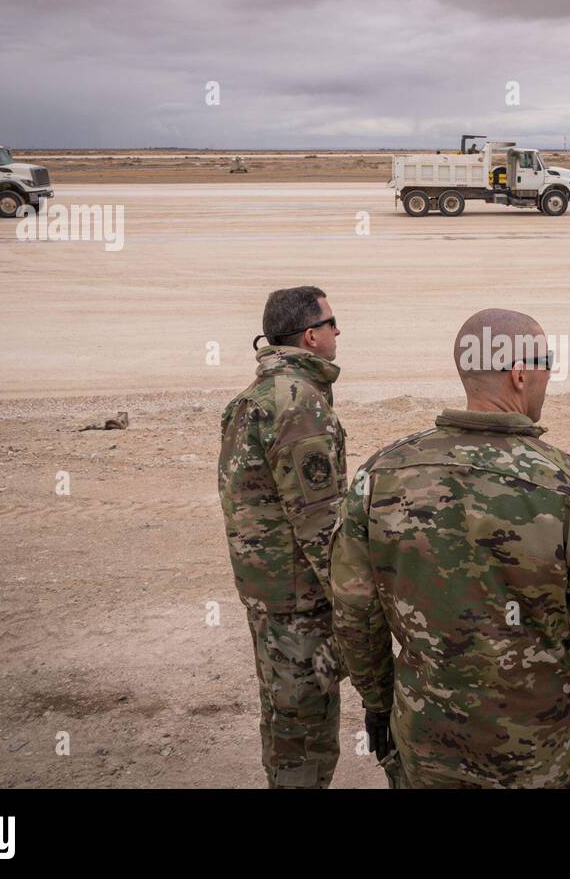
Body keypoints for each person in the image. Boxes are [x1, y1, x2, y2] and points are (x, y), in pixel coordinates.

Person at [331, 308, 570, 788]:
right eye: (548, 365)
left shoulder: (380, 476)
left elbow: (354, 612)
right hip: (540, 755)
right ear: (520, 374)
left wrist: (378, 704)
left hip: (427, 745)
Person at [217, 286, 347, 788]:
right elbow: (318, 521)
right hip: (299, 600)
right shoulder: (296, 404)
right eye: (333, 322)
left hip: (270, 591)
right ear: (311, 336)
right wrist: (351, 600)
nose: (338, 332)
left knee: (282, 714)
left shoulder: (257, 396)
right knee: (307, 729)